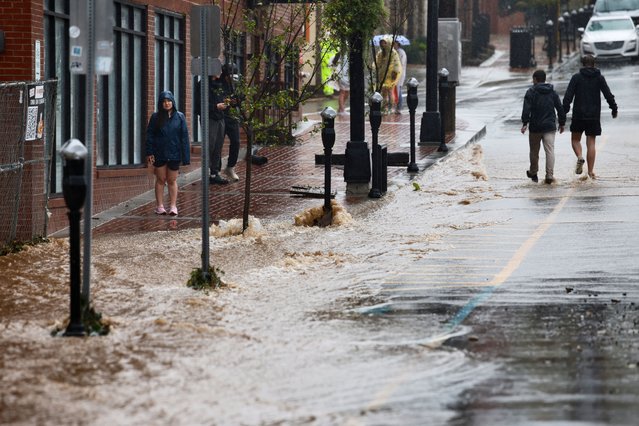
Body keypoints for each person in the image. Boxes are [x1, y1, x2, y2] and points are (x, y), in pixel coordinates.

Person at [562, 54, 617, 179]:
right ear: (594, 64)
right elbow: (608, 94)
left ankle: (580, 157)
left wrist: (563, 112)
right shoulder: (599, 78)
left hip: (578, 115)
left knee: (575, 140)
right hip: (593, 116)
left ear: (582, 64)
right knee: (591, 143)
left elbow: (568, 97)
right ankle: (591, 171)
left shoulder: (576, 78)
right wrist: (614, 108)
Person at [145, 90, 190, 216]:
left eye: (169, 101)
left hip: (175, 153)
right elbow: (149, 135)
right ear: (160, 103)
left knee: (172, 179)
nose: (167, 103)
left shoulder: (180, 117)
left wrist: (186, 157)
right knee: (161, 179)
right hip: (159, 153)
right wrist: (149, 152)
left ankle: (173, 206)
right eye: (164, 101)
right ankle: (159, 206)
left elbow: (184, 137)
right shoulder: (155, 117)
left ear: (173, 102)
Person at [520, 69, 566, 184]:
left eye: (533, 79)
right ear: (544, 79)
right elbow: (560, 108)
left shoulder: (531, 91)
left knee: (534, 151)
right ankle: (549, 175)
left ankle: (534, 173)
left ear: (535, 79)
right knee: (550, 151)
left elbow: (526, 109)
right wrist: (562, 123)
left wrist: (525, 123)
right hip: (549, 126)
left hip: (535, 127)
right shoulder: (552, 92)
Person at [209, 72, 230, 184]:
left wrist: (227, 103)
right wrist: (215, 106)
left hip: (220, 118)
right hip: (210, 118)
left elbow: (224, 97)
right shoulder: (203, 85)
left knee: (218, 146)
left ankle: (214, 173)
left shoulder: (220, 84)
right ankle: (210, 171)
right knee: (211, 145)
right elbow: (199, 105)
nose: (221, 73)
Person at [220, 64, 240, 182]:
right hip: (221, 116)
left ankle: (230, 167)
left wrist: (237, 101)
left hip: (232, 115)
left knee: (236, 141)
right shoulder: (219, 84)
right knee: (218, 144)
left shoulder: (235, 84)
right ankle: (215, 170)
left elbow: (240, 98)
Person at [375, 39, 402, 114]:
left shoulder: (393, 53)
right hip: (382, 75)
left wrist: (395, 72)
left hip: (390, 75)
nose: (382, 45)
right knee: (384, 92)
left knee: (390, 91)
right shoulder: (380, 53)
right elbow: (378, 63)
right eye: (381, 43)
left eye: (384, 43)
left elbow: (396, 63)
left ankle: (392, 107)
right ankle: (385, 108)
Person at [331, 49, 350, 115]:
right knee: (342, 92)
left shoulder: (349, 55)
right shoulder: (338, 55)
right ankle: (342, 109)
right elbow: (332, 63)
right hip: (341, 76)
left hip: (347, 76)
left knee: (347, 93)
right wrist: (336, 72)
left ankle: (340, 108)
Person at [394, 40, 407, 114]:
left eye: (395, 43)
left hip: (399, 73)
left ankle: (399, 107)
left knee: (398, 89)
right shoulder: (395, 52)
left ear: (398, 44)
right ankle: (397, 107)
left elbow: (400, 63)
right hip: (397, 73)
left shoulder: (401, 52)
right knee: (397, 89)